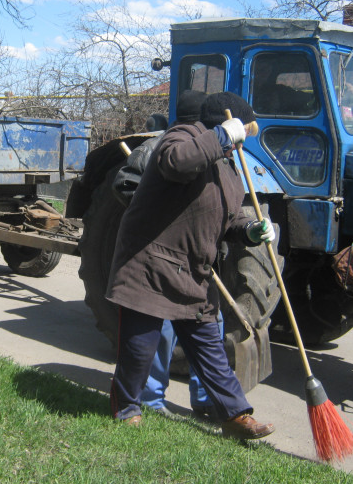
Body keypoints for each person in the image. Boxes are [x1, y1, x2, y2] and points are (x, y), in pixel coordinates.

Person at [107, 91, 276, 440]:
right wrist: (222, 136)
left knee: (210, 348)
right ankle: (127, 407)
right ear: (225, 125)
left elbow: (222, 221)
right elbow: (177, 163)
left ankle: (235, 416)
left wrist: (249, 231)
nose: (239, 144)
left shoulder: (228, 166)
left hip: (193, 273)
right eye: (239, 134)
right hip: (150, 264)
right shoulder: (181, 138)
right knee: (140, 348)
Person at [113, 90, 221, 422]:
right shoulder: (159, 146)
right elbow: (125, 184)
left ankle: (205, 398)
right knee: (159, 331)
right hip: (160, 256)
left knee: (209, 328)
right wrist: (154, 213)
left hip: (195, 257)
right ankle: (151, 397)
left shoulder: (213, 148)